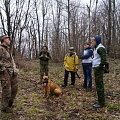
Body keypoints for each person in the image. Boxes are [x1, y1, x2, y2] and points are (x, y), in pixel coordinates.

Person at [0, 35, 18, 113]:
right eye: (8, 39)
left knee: (14, 90)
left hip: (12, 74)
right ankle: (4, 108)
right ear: (4, 40)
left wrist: (15, 70)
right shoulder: (1, 49)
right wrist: (4, 70)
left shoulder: (7, 50)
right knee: (7, 92)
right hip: (5, 75)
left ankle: (9, 105)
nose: (9, 40)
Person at [91, 36, 106, 108]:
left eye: (93, 41)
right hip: (96, 68)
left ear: (97, 41)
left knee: (99, 85)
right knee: (98, 84)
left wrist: (99, 68)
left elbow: (104, 60)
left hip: (98, 69)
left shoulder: (100, 48)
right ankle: (100, 98)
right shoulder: (96, 48)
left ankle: (101, 102)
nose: (92, 42)